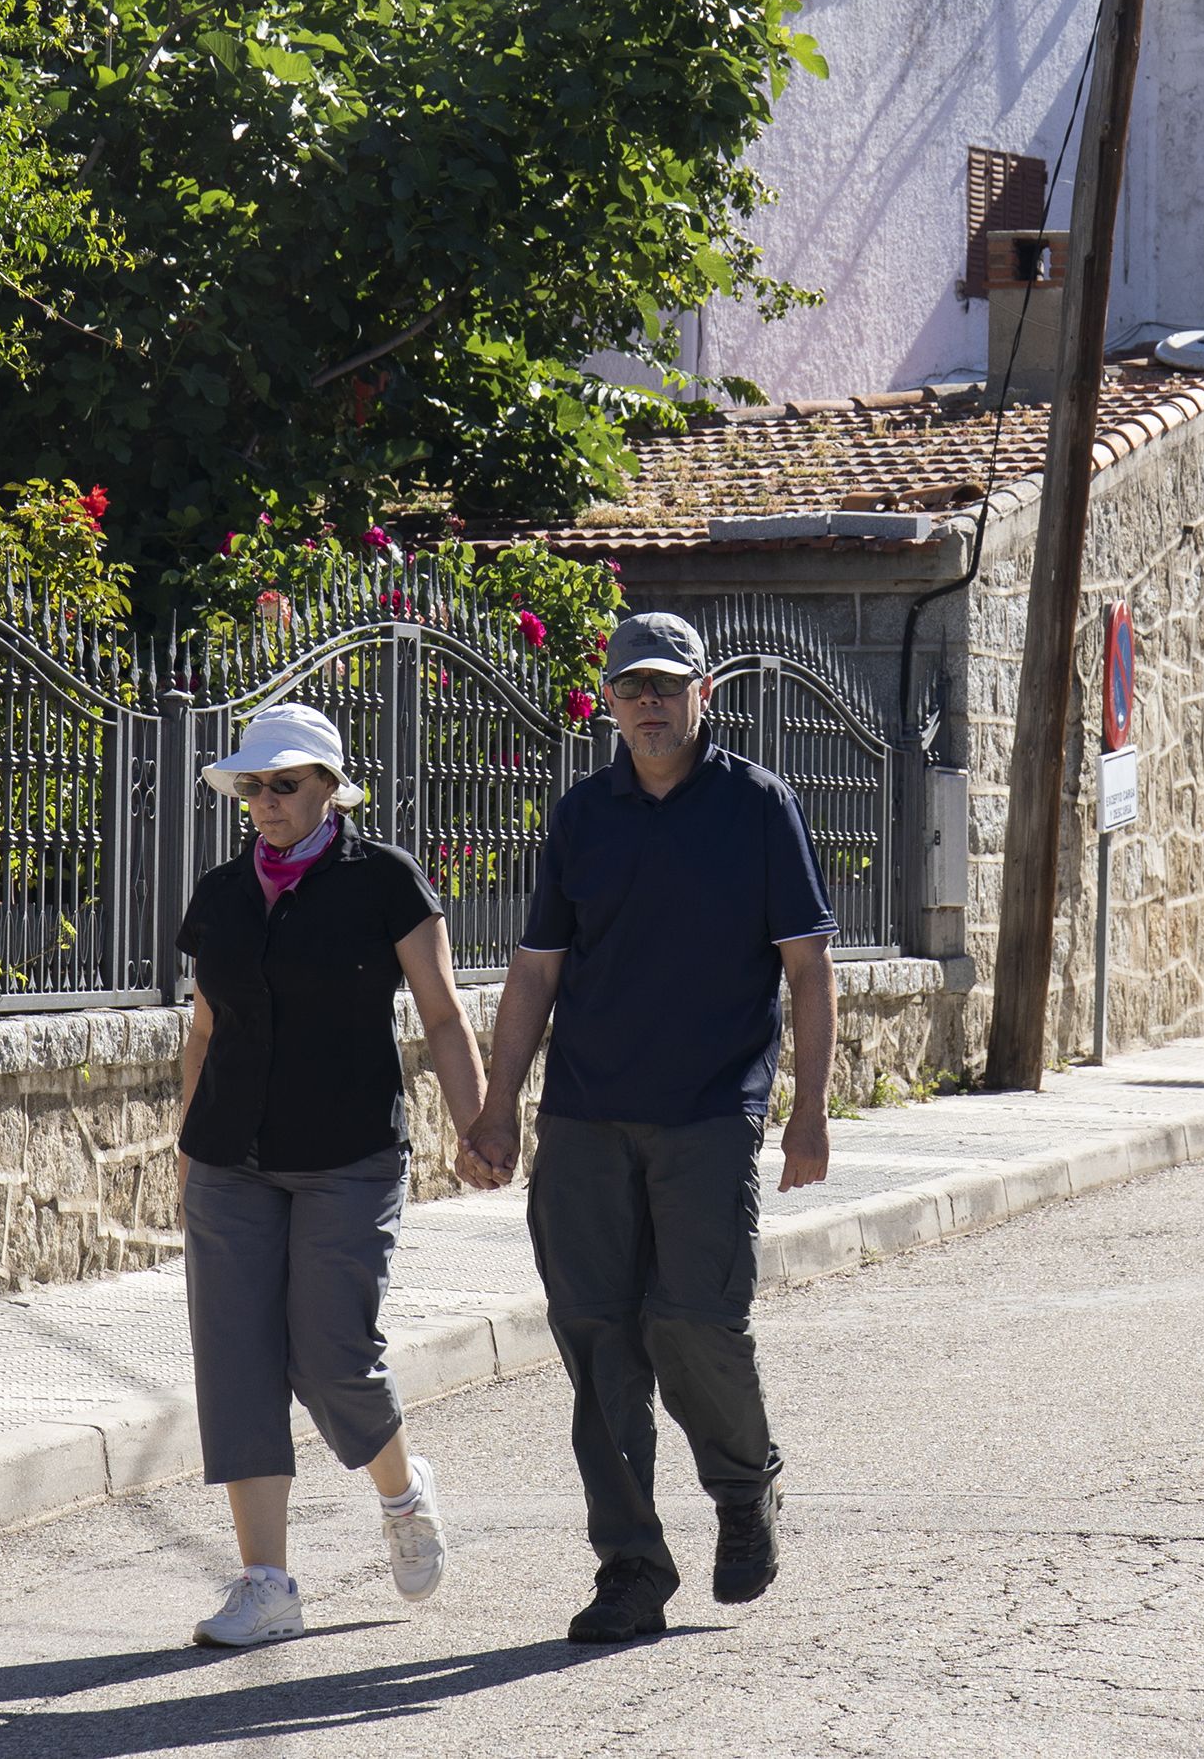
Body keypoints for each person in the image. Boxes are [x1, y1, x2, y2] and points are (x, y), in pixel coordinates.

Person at [458, 611, 837, 1647]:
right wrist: (497, 1108)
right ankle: (630, 1567)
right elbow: (536, 971)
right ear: (609, 703)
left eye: (668, 686)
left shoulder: (758, 806)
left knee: (692, 1322)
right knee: (596, 1338)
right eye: (632, 689)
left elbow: (806, 968)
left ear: (703, 693)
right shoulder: (584, 815)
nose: (651, 704)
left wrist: (806, 1112)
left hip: (709, 1112)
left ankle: (740, 1484)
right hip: (583, 1115)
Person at [174, 702, 483, 1649]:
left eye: (285, 784)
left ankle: (401, 1491)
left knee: (332, 1355)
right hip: (231, 1158)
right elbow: (204, 1030)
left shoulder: (383, 881)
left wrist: (480, 1126)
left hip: (347, 1153)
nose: (266, 802)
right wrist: (186, 1154)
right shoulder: (223, 895)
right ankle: (267, 1582)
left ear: (328, 790)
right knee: (237, 1364)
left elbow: (439, 1013)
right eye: (254, 787)